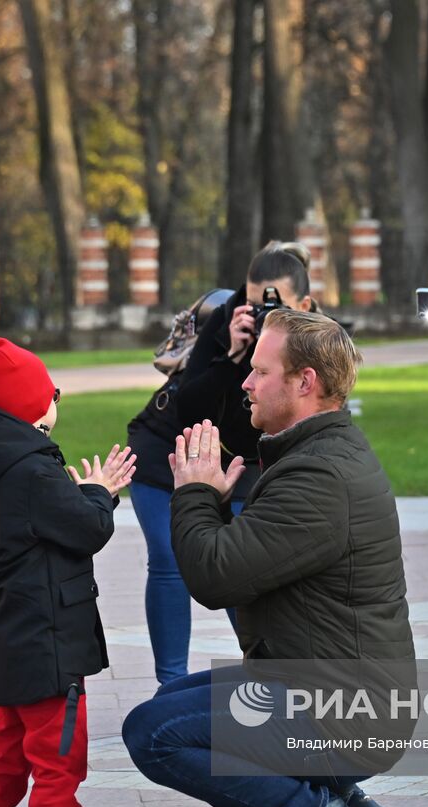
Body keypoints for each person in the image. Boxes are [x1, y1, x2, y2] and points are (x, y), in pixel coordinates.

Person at [122, 310, 415, 807]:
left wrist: (196, 492)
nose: (245, 384)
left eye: (260, 371)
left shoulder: (320, 477)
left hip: (345, 714)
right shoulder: (314, 454)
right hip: (319, 685)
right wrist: (212, 501)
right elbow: (242, 560)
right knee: (166, 707)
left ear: (305, 383)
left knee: (153, 736)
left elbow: (213, 578)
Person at [0, 339, 135, 807]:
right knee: (58, 768)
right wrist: (100, 492)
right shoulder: (34, 469)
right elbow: (88, 528)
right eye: (50, 392)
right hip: (50, 647)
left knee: (4, 761)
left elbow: (55, 522)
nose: (56, 400)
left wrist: (83, 495)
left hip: (14, 640)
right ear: (31, 405)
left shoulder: (3, 461)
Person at [124, 240, 316, 685]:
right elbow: (190, 408)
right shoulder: (230, 317)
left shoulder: (317, 336)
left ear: (304, 305)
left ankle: (267, 676)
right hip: (168, 453)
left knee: (239, 568)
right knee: (170, 559)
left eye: (276, 305)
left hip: (239, 466)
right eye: (254, 301)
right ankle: (169, 684)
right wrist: (231, 354)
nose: (262, 313)